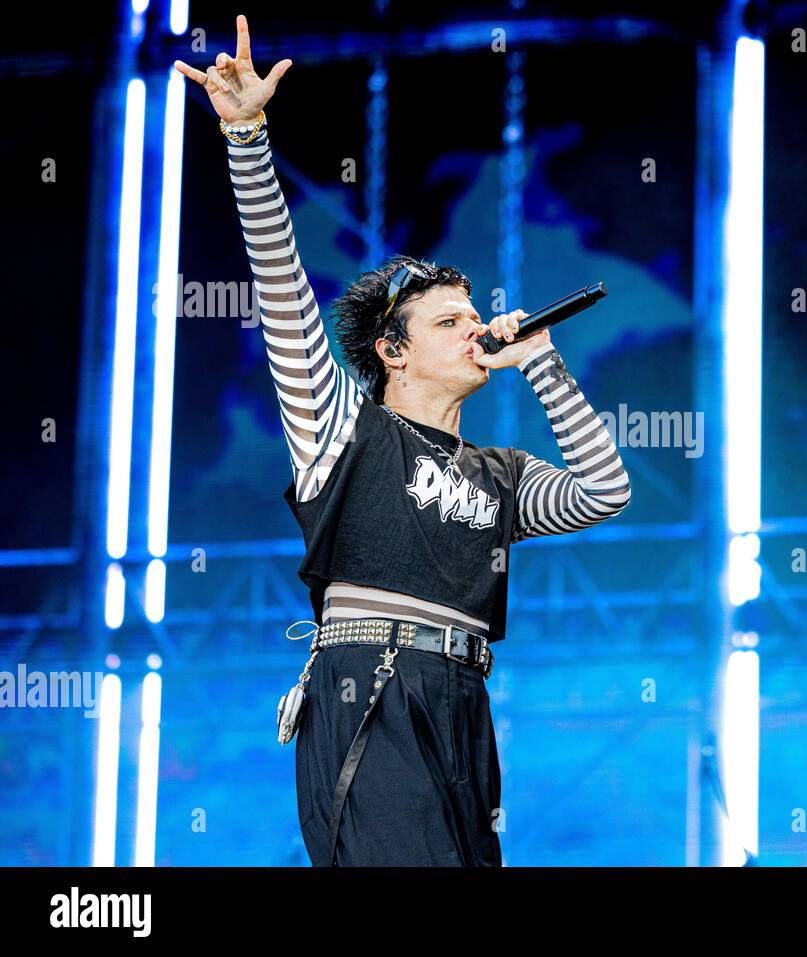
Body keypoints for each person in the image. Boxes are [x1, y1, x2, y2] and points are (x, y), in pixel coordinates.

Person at [176, 15, 631, 866]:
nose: (473, 331)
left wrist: (542, 364)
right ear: (392, 352)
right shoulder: (343, 425)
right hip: (368, 685)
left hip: (462, 696)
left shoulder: (501, 476)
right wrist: (245, 135)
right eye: (448, 321)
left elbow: (603, 491)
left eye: (474, 318)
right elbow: (282, 292)